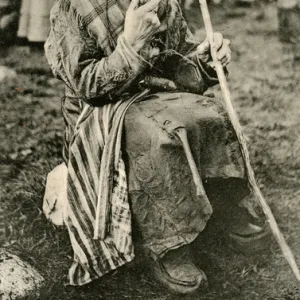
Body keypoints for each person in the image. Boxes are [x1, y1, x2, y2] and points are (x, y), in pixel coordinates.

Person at [44, 0, 270, 294]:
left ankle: (225, 206)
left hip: (157, 94)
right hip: (103, 112)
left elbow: (177, 63)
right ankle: (167, 244)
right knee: (156, 135)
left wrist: (204, 60)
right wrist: (131, 43)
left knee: (212, 114)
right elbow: (86, 86)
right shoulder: (74, 7)